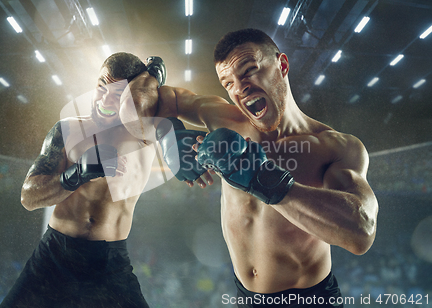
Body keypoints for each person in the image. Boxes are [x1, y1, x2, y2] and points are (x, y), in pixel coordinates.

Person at [137, 28, 379, 307]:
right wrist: (169, 138)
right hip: (245, 297)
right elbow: (157, 99)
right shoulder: (223, 119)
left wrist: (259, 176)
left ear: (282, 65)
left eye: (249, 71)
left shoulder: (335, 147)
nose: (240, 88)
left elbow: (361, 231)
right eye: (228, 83)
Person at [0, 53, 165, 308]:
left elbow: (148, 94)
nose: (105, 99)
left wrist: (152, 73)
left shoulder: (144, 133)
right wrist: (76, 174)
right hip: (54, 255)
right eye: (102, 86)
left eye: (117, 92)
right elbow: (28, 197)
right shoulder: (66, 129)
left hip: (109, 263)